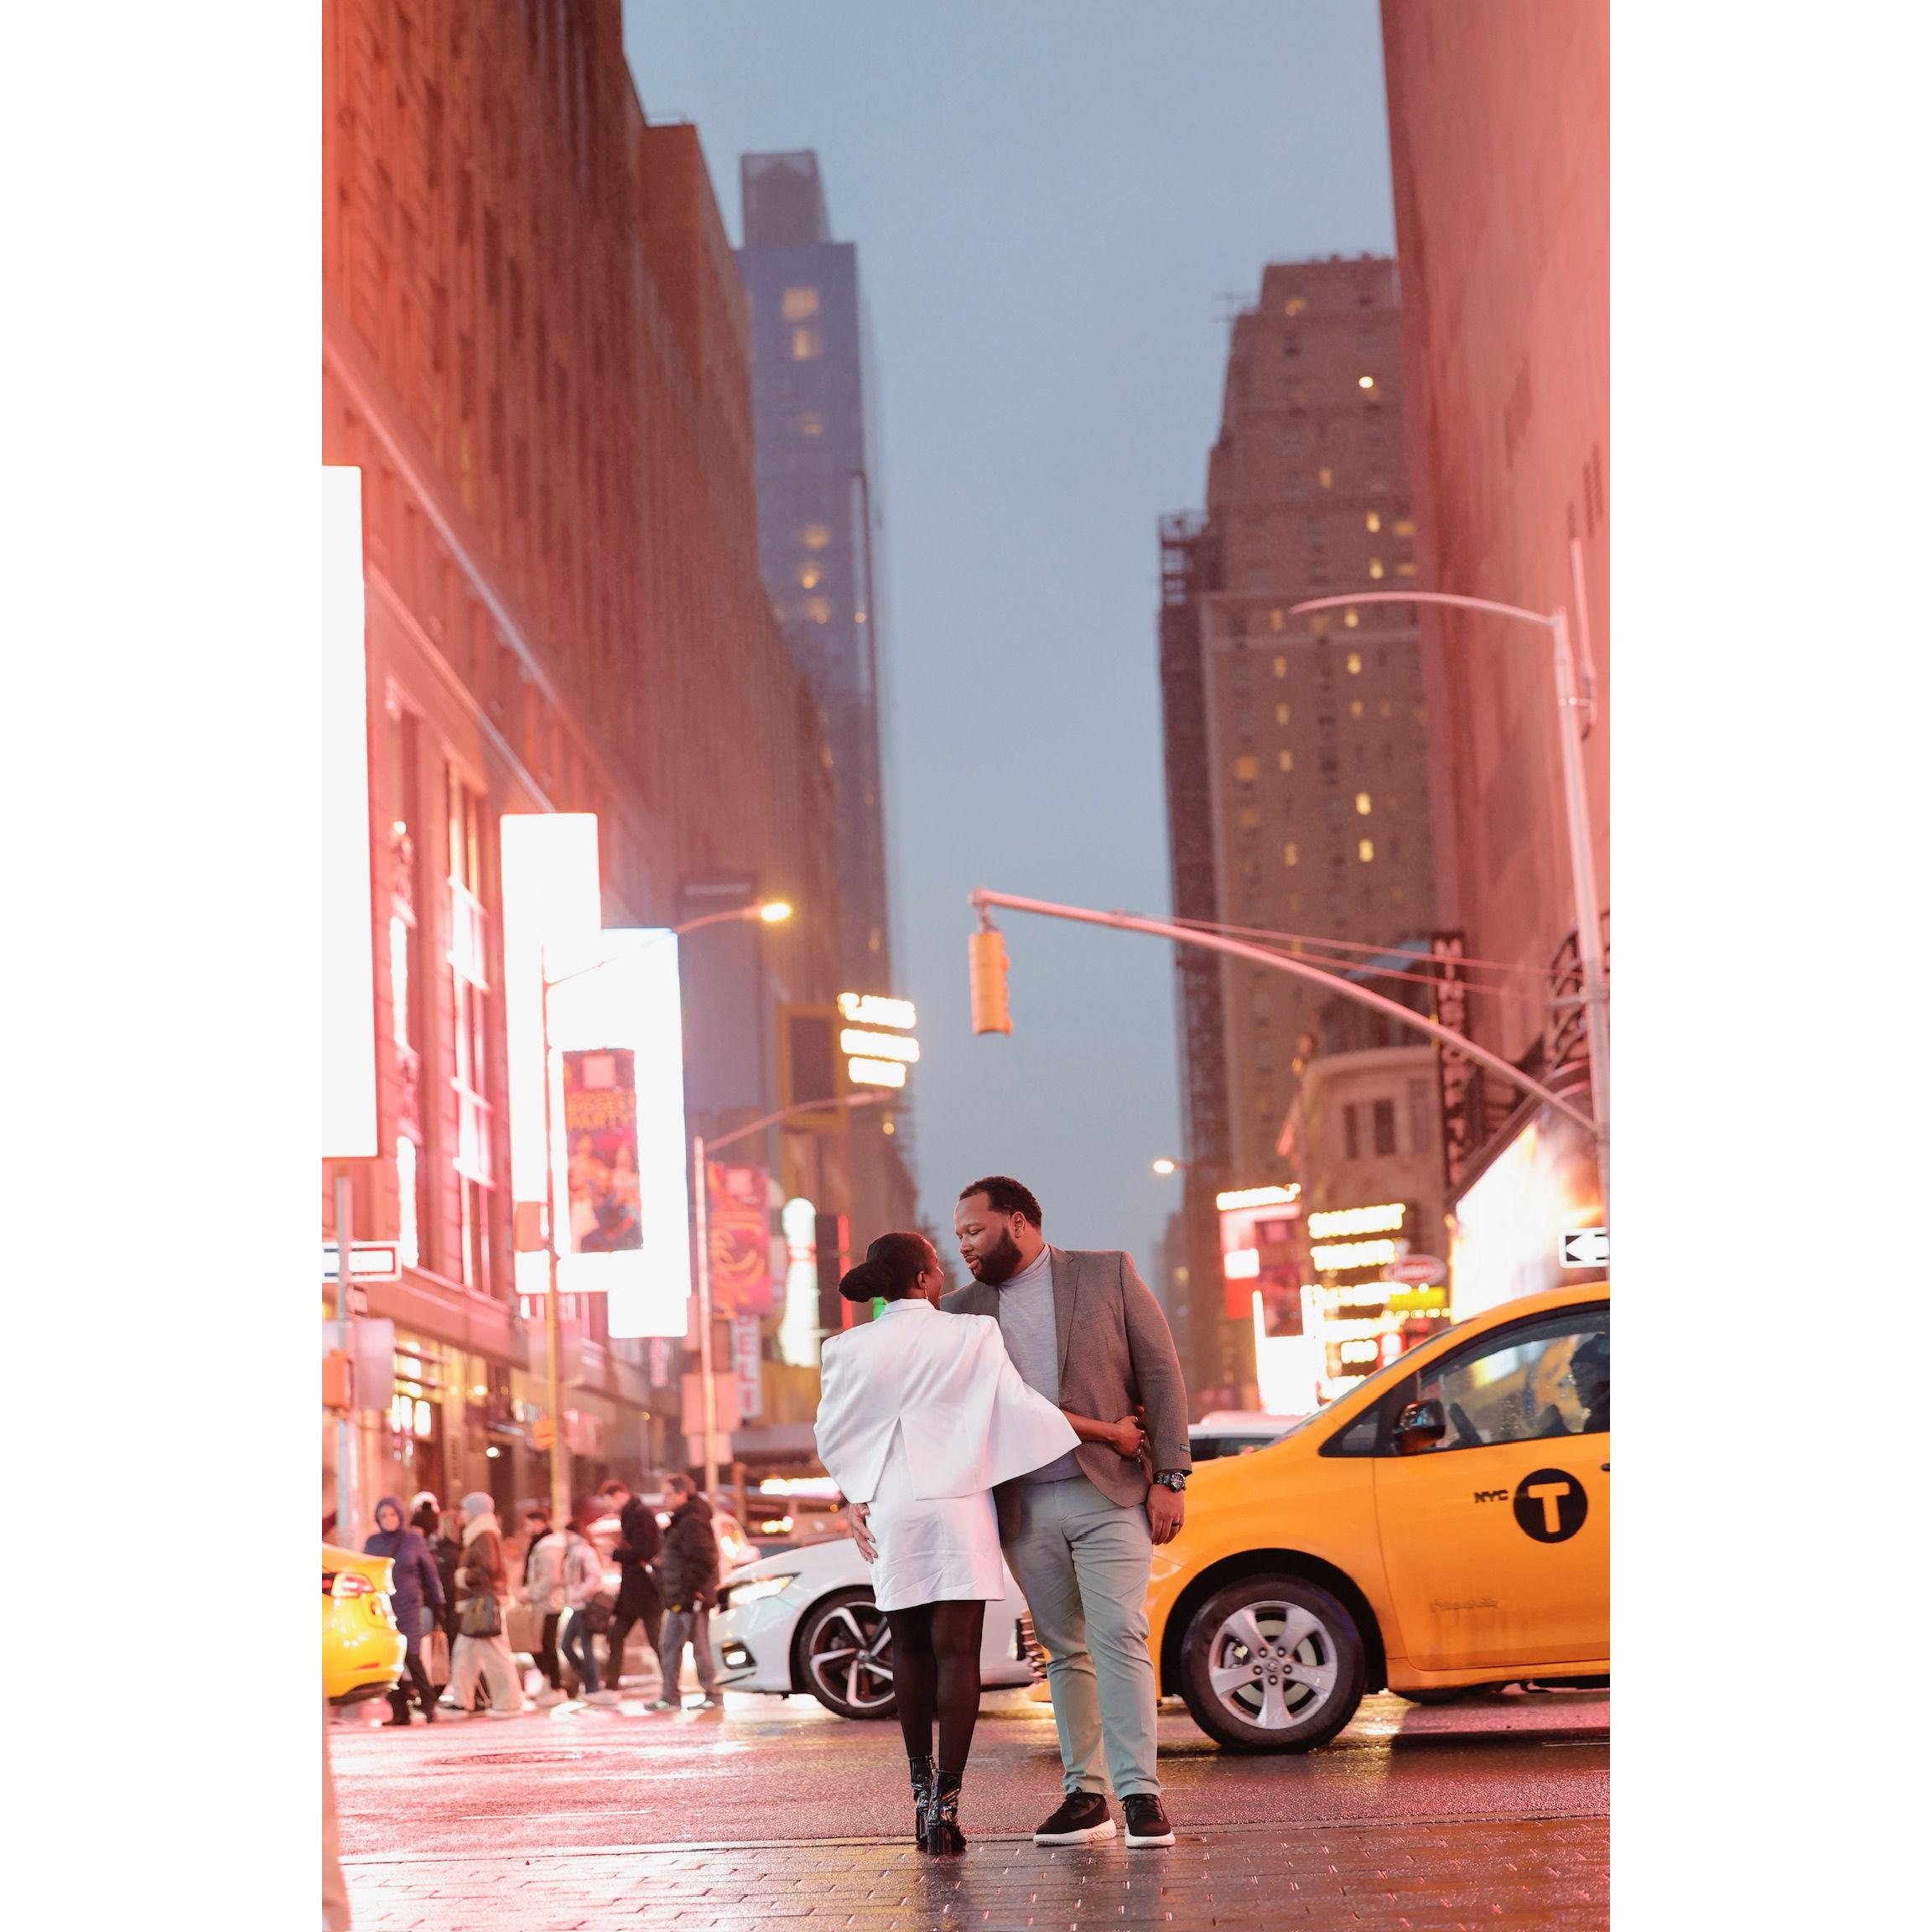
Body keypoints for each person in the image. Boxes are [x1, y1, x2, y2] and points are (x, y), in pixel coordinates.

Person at [854, 1176, 1192, 1851]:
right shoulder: (956, 1312)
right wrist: (857, 1490)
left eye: (974, 1231)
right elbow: (903, 1411)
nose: (965, 1246)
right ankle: (1086, 1796)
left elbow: (1161, 1373)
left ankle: (1140, 1795)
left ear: (1017, 1222)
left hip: (1111, 1491)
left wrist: (1171, 1475)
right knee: (1063, 1651)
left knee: (1120, 1636)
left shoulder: (1106, 1274)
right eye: (956, 1238)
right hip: (1019, 1505)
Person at [815, 1230, 1085, 1855]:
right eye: (937, 1265)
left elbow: (834, 1429)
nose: (942, 1273)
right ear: (921, 1280)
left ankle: (918, 1801)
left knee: (908, 1651)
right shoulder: (972, 1335)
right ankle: (948, 1811)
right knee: (958, 1655)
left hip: (893, 1504)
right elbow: (1017, 1409)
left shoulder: (847, 1347)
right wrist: (1106, 1435)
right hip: (960, 1502)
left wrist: (854, 1493)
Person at [365, 1495, 445, 1725]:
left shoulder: (413, 1540)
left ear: (400, 1515)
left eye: (392, 1514)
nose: (388, 1519)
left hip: (409, 1606)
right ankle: (399, 1711)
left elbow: (430, 1573)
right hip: (382, 1607)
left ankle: (429, 1706)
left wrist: (438, 1603)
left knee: (412, 1656)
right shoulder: (373, 1542)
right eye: (383, 1515)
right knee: (388, 1658)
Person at [448, 1490, 524, 1719]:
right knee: (465, 1652)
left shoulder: (483, 1534)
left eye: (465, 1509)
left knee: (494, 1653)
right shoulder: (480, 1532)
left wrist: (463, 1576)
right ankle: (462, 1701)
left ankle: (508, 1703)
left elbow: (487, 1568)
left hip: (484, 1601)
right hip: (480, 1601)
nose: (462, 1513)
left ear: (474, 1511)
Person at [648, 1475, 721, 1713]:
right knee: (669, 1644)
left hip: (690, 1597)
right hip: (680, 1596)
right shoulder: (682, 1521)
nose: (664, 1499)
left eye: (668, 1494)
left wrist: (694, 1591)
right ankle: (670, 1696)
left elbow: (704, 1559)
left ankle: (713, 1693)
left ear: (682, 1494)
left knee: (699, 1647)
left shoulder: (692, 1521)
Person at [599, 1478, 663, 1696]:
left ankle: (671, 1684)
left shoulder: (640, 1515)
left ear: (618, 1495)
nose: (610, 1508)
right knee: (616, 1637)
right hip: (633, 1591)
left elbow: (646, 1549)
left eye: (609, 1502)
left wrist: (615, 1553)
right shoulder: (633, 1515)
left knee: (655, 1639)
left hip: (645, 1590)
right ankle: (611, 1686)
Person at [558, 1498, 616, 1705]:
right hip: (577, 1605)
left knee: (583, 1645)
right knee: (569, 1645)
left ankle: (592, 1685)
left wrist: (580, 1593)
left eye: (567, 1534)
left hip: (584, 1605)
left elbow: (594, 1576)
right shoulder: (574, 1552)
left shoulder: (584, 1551)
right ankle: (590, 1683)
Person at [517, 1504, 568, 1704]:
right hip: (543, 1603)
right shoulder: (542, 1544)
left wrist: (531, 1594)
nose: (526, 1528)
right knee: (538, 1645)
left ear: (539, 1523)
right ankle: (550, 1684)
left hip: (548, 1603)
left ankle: (556, 1686)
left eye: (528, 1524)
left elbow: (551, 1577)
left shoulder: (548, 1546)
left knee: (545, 1645)